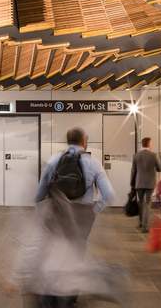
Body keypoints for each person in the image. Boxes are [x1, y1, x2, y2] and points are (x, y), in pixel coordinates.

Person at [30, 127, 115, 307]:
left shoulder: (54, 160)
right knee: (76, 254)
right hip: (82, 217)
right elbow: (108, 194)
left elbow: (39, 193)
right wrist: (93, 210)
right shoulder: (93, 163)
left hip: (57, 214)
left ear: (67, 141)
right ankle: (70, 297)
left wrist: (44, 208)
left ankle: (50, 294)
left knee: (53, 251)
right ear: (84, 142)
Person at [130, 137, 161, 232]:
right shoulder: (154, 155)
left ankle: (141, 223)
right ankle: (145, 227)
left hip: (139, 182)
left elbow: (133, 171)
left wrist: (132, 183)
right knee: (147, 204)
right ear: (149, 144)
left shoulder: (136, 155)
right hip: (150, 183)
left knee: (141, 203)